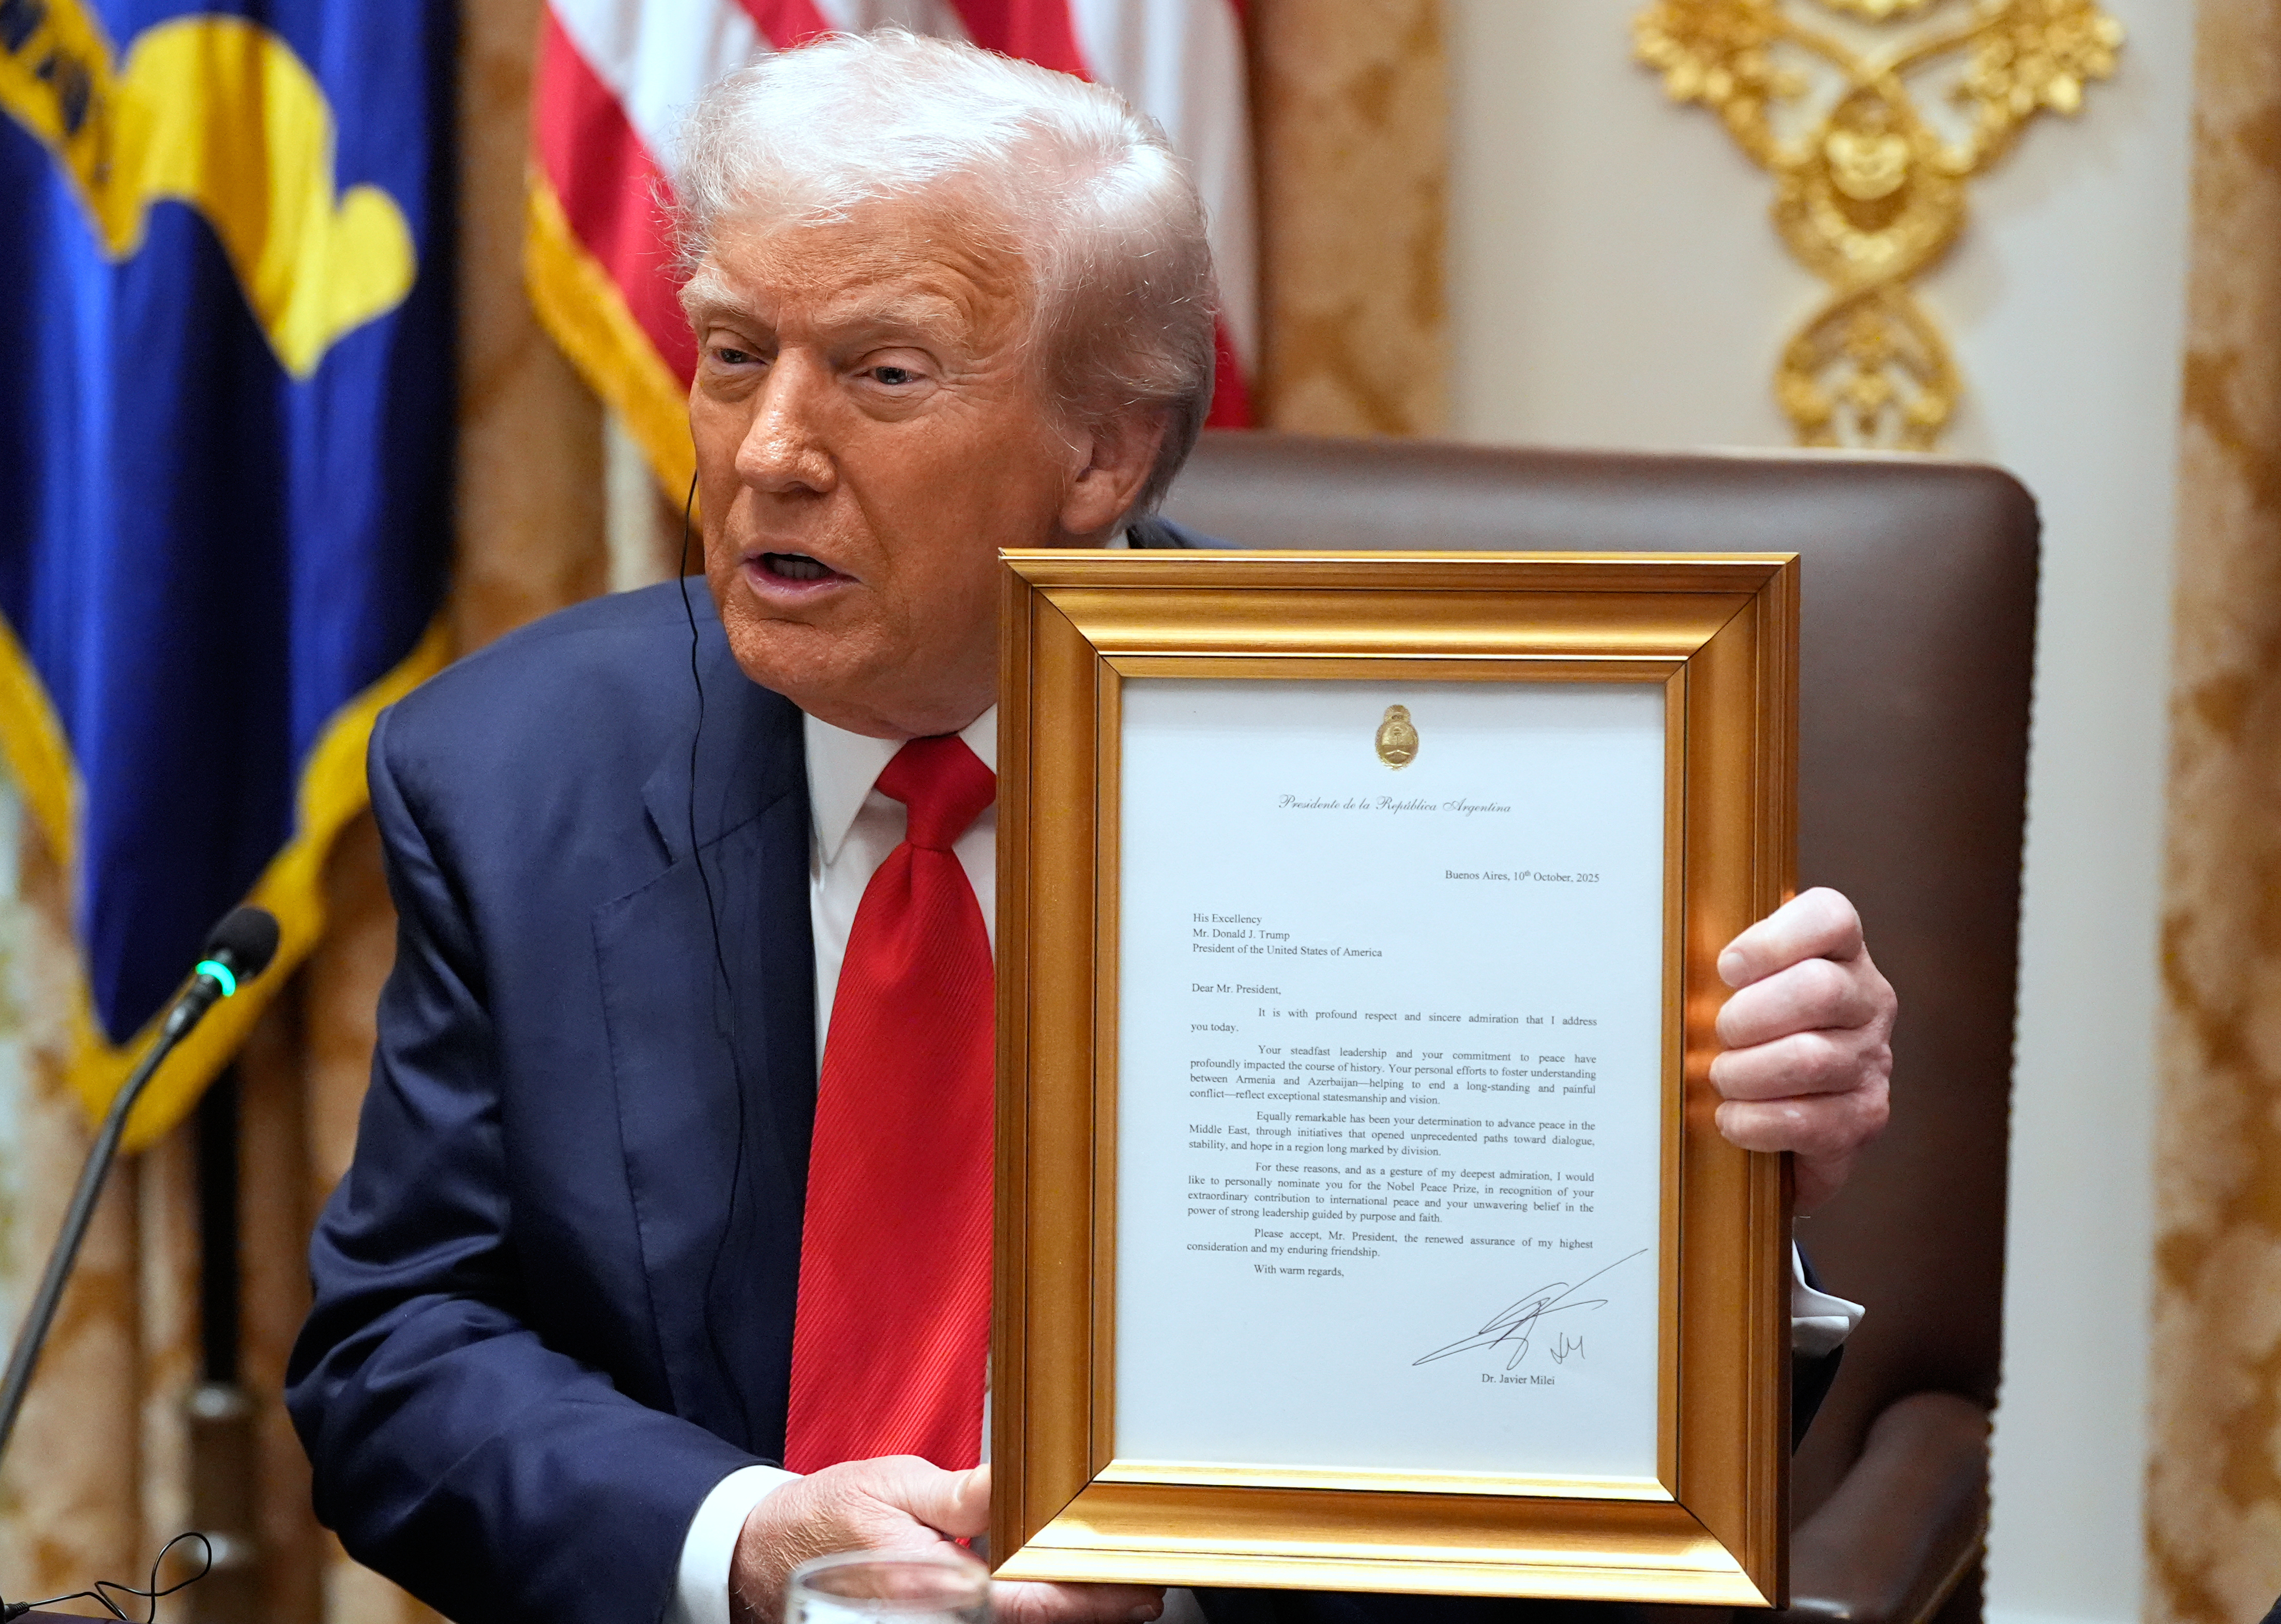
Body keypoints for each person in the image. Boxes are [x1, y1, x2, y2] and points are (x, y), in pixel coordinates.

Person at [286, 32, 1895, 1624]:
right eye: (731, 353)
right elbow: (399, 1356)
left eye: (880, 372)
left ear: (1102, 451)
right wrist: (750, 1540)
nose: (768, 450)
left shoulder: (1445, 807)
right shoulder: (514, 777)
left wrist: (1728, 1207)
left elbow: (1536, 1436)